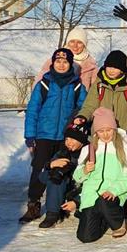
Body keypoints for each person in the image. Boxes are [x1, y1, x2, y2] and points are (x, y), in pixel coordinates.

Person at [20, 48, 88, 223]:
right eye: (58, 61)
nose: (61, 64)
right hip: (44, 135)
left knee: (63, 170)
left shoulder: (77, 86)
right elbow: (33, 110)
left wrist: (77, 129)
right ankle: (33, 204)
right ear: (53, 63)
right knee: (40, 169)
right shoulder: (44, 84)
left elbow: (84, 109)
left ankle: (59, 205)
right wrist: (30, 136)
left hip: (66, 137)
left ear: (70, 64)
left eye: (65, 62)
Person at [63, 108, 127, 243]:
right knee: (85, 237)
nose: (105, 134)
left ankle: (118, 222)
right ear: (96, 132)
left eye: (108, 130)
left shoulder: (124, 147)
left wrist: (114, 190)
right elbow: (77, 176)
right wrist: (85, 171)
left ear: (114, 129)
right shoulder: (89, 149)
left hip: (113, 194)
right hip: (91, 197)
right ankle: (104, 218)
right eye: (101, 131)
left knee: (104, 201)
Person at [75, 50, 127, 155]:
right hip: (101, 134)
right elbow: (90, 105)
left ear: (122, 70)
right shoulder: (99, 84)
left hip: (123, 135)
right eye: (109, 66)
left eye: (115, 67)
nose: (111, 70)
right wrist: (83, 116)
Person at [38, 123, 89, 229]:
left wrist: (76, 202)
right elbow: (42, 178)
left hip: (84, 191)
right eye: (66, 139)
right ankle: (52, 214)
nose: (68, 142)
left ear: (82, 140)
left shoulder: (90, 154)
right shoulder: (62, 153)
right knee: (56, 176)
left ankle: (81, 207)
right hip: (69, 189)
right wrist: (50, 166)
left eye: (73, 139)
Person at [35, 26, 97, 90]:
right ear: (68, 43)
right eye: (72, 41)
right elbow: (38, 83)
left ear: (84, 45)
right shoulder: (55, 60)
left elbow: (95, 89)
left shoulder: (91, 65)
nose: (75, 45)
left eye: (79, 42)